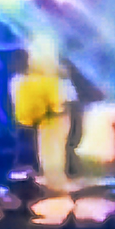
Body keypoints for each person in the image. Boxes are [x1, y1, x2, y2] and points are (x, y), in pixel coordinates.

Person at [8, 36, 73, 193]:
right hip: (39, 120)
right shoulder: (25, 80)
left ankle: (50, 181)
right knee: (43, 150)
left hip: (47, 119)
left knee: (49, 150)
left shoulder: (45, 79)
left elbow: (61, 102)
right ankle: (43, 182)